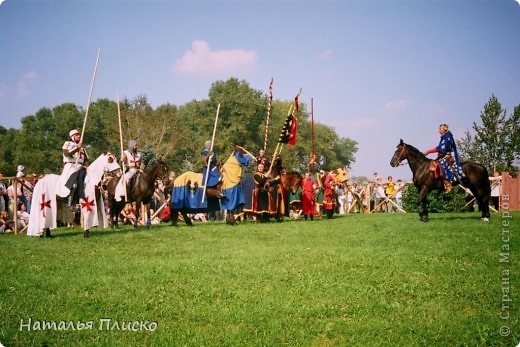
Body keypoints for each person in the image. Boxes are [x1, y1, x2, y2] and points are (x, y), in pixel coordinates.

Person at [424, 123, 465, 193]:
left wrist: (429, 151)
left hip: (446, 156)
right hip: (442, 156)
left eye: (440, 129)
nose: (439, 130)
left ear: (444, 129)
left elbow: (440, 148)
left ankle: (448, 185)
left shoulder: (447, 137)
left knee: (440, 166)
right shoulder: (444, 137)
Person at [56, 129, 88, 204]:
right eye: (77, 135)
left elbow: (85, 159)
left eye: (79, 134)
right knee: (74, 183)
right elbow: (67, 154)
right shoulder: (68, 143)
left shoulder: (82, 148)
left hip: (81, 167)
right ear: (72, 136)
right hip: (71, 166)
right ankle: (70, 200)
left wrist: (86, 165)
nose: (79, 136)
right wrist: (77, 148)